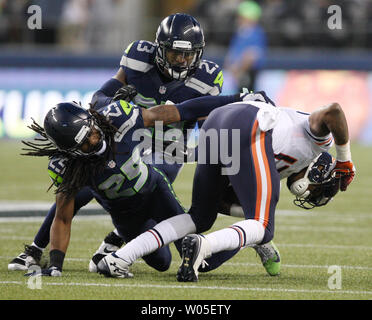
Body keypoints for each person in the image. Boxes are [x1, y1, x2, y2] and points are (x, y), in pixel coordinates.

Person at [8, 13, 224, 272]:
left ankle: (118, 238)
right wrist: (114, 101)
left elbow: (209, 120)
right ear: (159, 49)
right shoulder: (138, 57)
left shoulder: (208, 79)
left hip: (167, 149)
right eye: (175, 53)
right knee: (79, 181)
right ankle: (36, 249)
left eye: (189, 54)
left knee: (149, 183)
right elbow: (99, 98)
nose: (182, 60)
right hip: (127, 137)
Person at [94, 100, 355, 280]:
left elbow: (220, 203)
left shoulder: (273, 167)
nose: (310, 192)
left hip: (217, 122)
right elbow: (333, 111)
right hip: (250, 124)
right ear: (318, 170)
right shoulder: (319, 143)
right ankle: (203, 246)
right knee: (263, 224)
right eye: (318, 189)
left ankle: (120, 258)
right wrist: (345, 158)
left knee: (200, 217)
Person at [223, 1, 267, 94]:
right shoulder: (240, 32)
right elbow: (232, 51)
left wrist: (239, 70)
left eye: (242, 17)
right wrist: (231, 67)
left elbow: (251, 55)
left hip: (247, 73)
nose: (239, 20)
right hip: (238, 73)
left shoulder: (256, 33)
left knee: (247, 97)